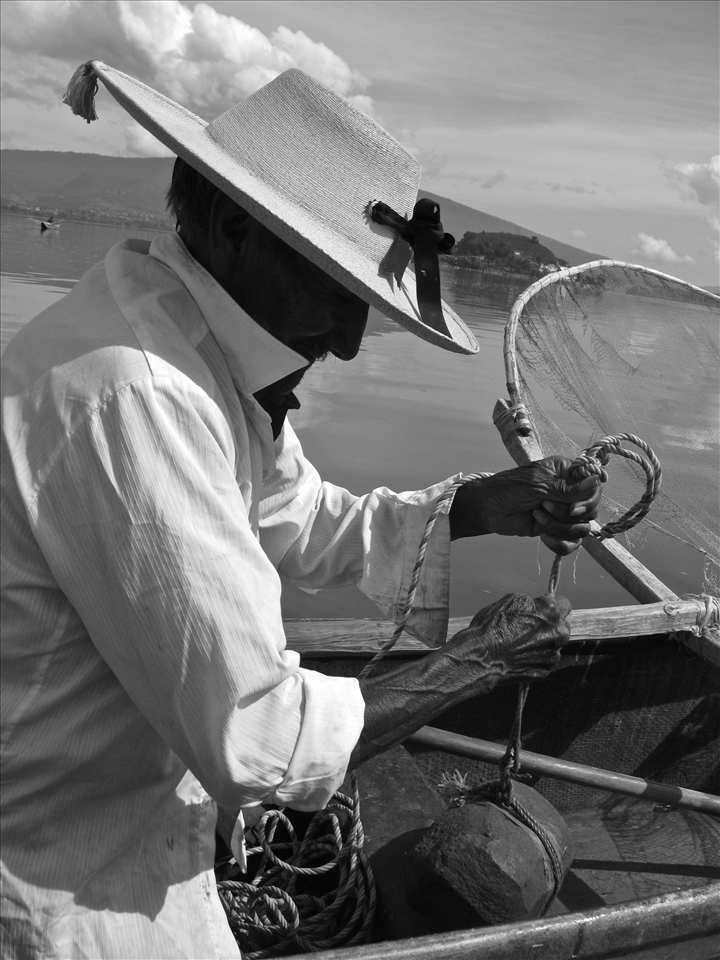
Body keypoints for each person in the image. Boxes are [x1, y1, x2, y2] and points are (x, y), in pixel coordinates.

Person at [1, 62, 600, 959]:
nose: (353, 342)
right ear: (239, 230)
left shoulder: (192, 346)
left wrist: (483, 504)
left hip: (130, 829)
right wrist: (481, 659)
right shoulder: (140, 393)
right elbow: (258, 738)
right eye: (334, 286)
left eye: (362, 300)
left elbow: (301, 516)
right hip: (61, 883)